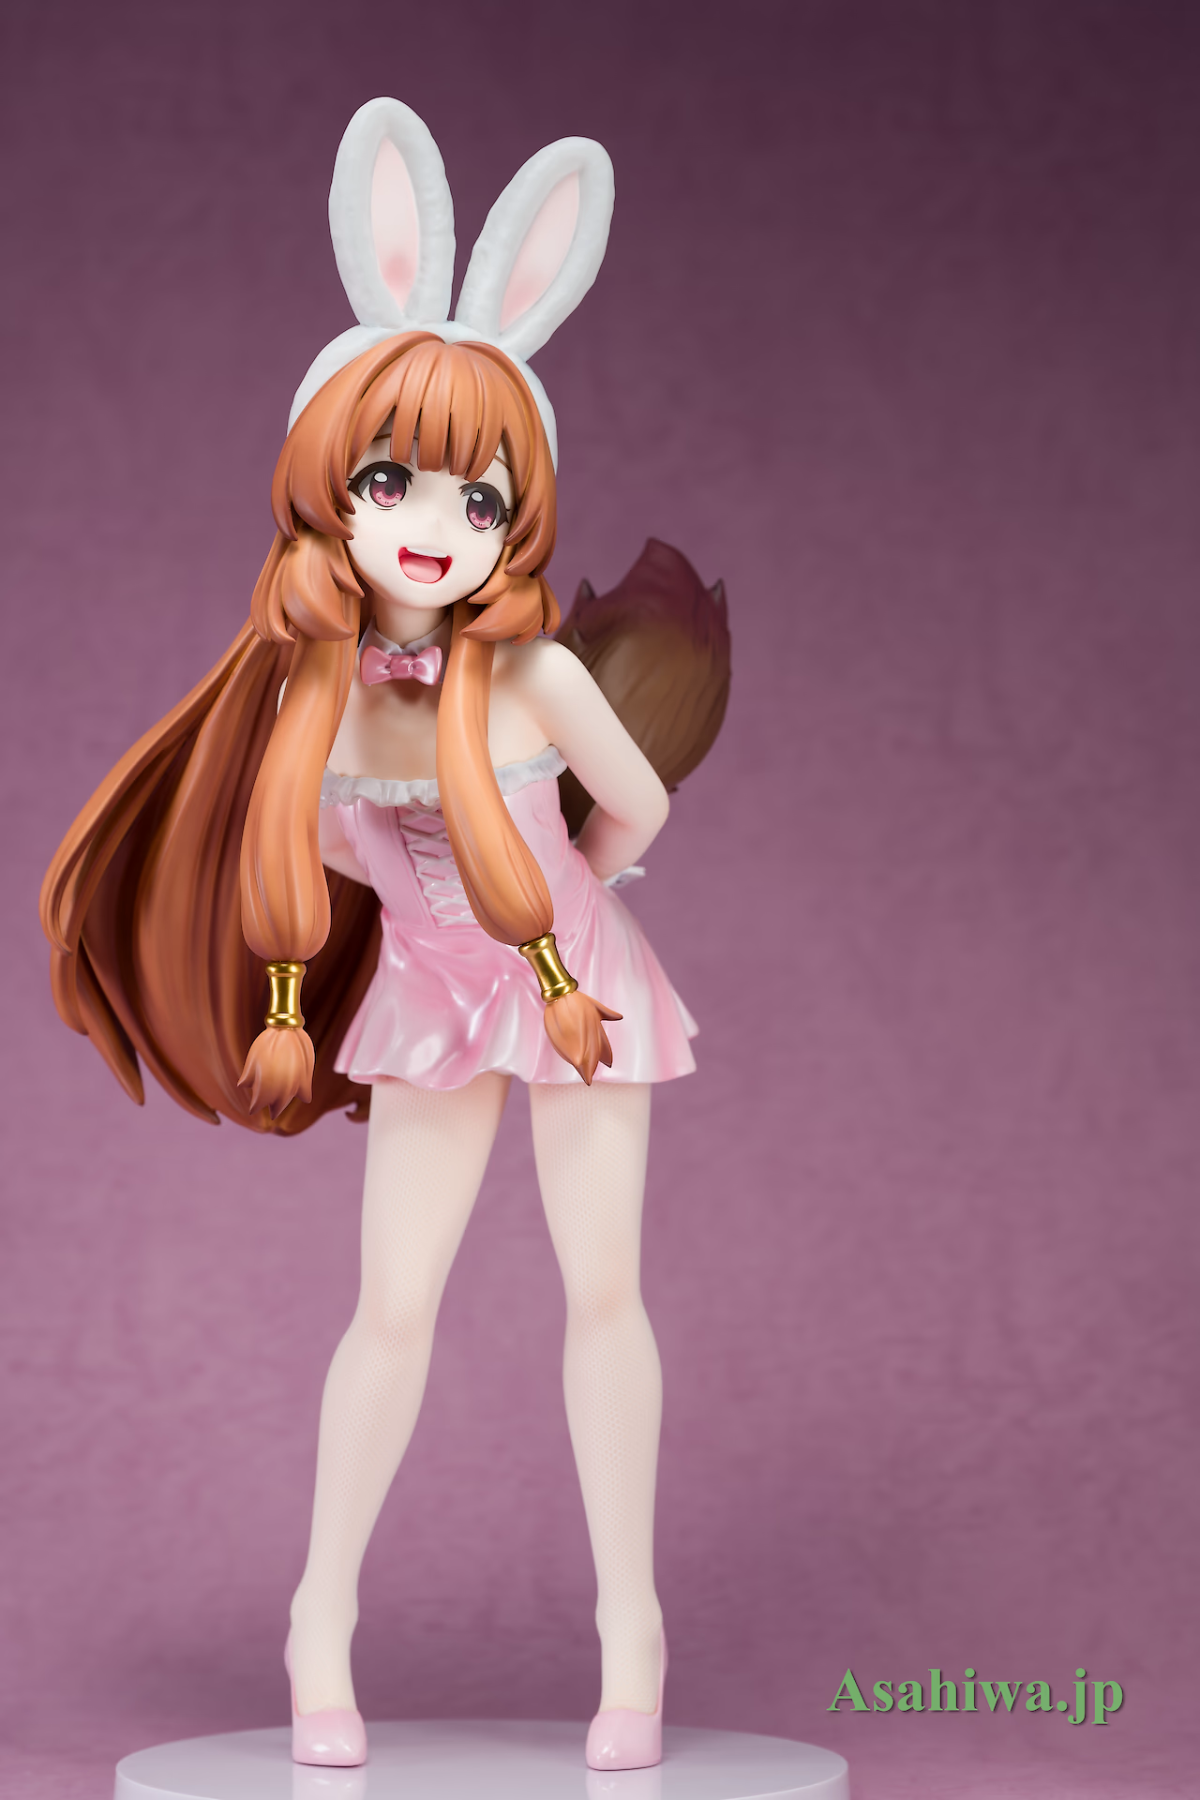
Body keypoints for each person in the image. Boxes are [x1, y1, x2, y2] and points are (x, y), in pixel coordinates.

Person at [39, 100, 724, 1774]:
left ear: (516, 516)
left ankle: (631, 1632)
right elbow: (314, 863)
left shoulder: (537, 678)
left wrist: (577, 902)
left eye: (480, 494)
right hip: (428, 997)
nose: (433, 521)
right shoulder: (313, 701)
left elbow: (638, 805)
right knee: (392, 1308)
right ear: (329, 487)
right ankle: (319, 1621)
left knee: (606, 1296)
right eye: (390, 477)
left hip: (574, 988)